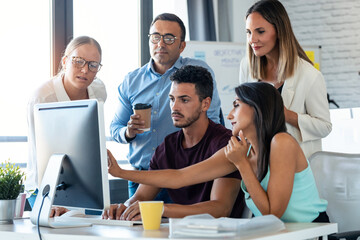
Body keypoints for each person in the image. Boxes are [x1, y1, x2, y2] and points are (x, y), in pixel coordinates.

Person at [108, 82, 329, 223]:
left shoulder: (281, 143)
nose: (230, 114)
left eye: (237, 105)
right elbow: (180, 177)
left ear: (257, 109)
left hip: (311, 232)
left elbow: (273, 213)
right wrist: (120, 172)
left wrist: (242, 164)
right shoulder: (241, 149)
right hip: (278, 234)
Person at [103, 65, 243, 220]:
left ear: (205, 104)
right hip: (180, 233)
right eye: (172, 99)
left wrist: (162, 209)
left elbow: (220, 209)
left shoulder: (226, 143)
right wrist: (121, 209)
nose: (174, 107)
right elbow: (140, 197)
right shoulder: (167, 147)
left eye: (184, 100)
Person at [110, 13, 221, 199]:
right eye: (155, 37)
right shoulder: (132, 80)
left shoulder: (195, 74)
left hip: (187, 177)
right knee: (135, 224)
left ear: (182, 45)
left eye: (169, 38)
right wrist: (128, 132)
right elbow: (115, 128)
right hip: (142, 177)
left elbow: (212, 122)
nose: (160, 44)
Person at [239, 0, 331, 158]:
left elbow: (324, 127)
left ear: (280, 31)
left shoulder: (309, 75)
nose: (252, 39)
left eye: (260, 31)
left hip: (295, 164)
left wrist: (284, 113)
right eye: (248, 32)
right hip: (258, 161)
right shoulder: (246, 66)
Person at [26, 36, 106, 208]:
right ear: (64, 61)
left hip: (83, 184)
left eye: (93, 65)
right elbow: (38, 154)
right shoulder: (42, 98)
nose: (85, 70)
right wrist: (51, 201)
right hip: (43, 186)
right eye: (78, 61)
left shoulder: (99, 91)